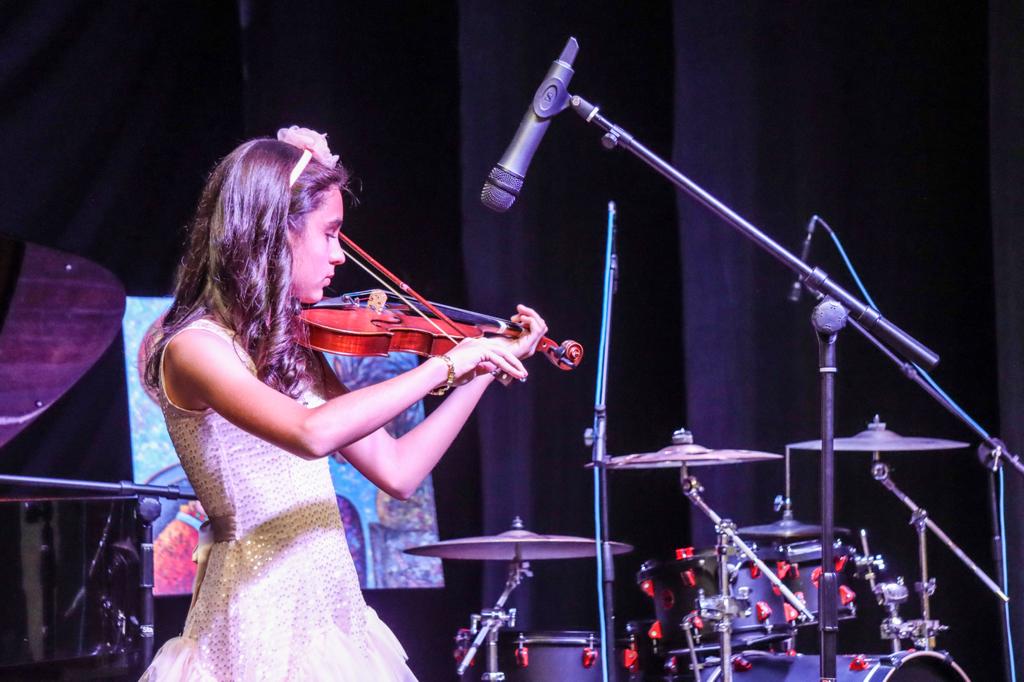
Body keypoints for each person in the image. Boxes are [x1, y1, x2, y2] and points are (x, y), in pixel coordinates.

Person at [139, 126, 547, 681]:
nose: (338, 256)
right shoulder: (196, 349)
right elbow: (312, 434)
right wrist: (444, 365)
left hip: (331, 614)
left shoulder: (294, 352)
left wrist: (481, 363)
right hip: (256, 618)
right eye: (329, 234)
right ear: (273, 232)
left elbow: (399, 470)